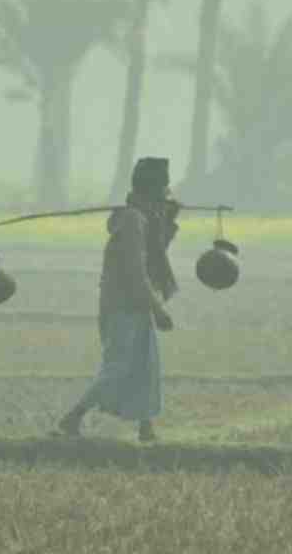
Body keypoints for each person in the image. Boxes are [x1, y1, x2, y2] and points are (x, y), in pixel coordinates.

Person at [55, 157, 180, 442]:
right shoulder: (132, 220)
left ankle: (146, 428)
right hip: (124, 305)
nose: (166, 194)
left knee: (145, 365)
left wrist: (169, 220)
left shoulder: (143, 218)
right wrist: (158, 309)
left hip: (136, 304)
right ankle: (72, 418)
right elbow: (137, 272)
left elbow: (155, 253)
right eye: (163, 189)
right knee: (117, 368)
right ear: (153, 190)